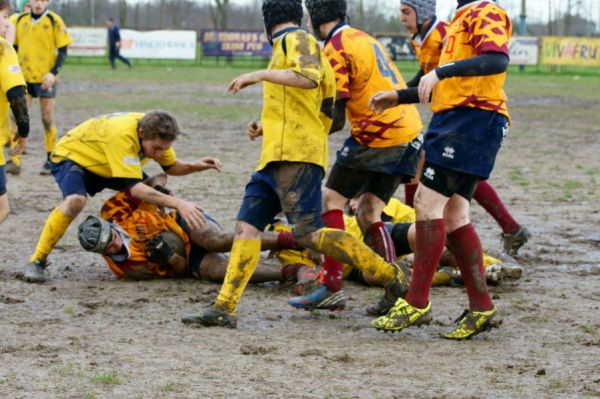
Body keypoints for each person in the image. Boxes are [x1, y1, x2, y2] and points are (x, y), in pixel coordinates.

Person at [181, 0, 409, 329]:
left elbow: (308, 77)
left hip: (296, 156)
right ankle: (224, 307)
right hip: (275, 156)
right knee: (246, 228)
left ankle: (391, 275)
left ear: (266, 21)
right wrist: (266, 125)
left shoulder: (298, 39)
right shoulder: (290, 47)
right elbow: (328, 116)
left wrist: (256, 75)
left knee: (311, 235)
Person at [370, 0, 513, 339]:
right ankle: (481, 308)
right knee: (454, 215)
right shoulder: (461, 18)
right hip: (461, 119)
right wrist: (399, 96)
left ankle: (417, 302)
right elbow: (443, 85)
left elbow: (497, 59)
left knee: (425, 203)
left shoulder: (485, 11)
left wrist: (441, 71)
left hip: (471, 120)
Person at [290, 0, 423, 315]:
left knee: (330, 200)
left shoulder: (336, 46)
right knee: (369, 212)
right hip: (410, 130)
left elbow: (336, 114)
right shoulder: (363, 37)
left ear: (316, 15)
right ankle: (395, 286)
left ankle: (332, 284)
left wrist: (301, 132)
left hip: (380, 133)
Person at [373, 0, 531, 256]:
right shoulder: (422, 38)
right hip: (451, 114)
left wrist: (438, 75)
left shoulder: (444, 32)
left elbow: (464, 68)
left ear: (422, 13)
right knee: (450, 189)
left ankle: (427, 231)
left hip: (468, 114)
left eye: (406, 12)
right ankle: (504, 229)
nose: (401, 18)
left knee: (446, 178)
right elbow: (426, 78)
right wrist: (397, 94)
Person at [21, 111, 222, 283]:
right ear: (142, 134)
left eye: (164, 149)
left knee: (158, 190)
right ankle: (37, 260)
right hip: (74, 158)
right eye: (155, 149)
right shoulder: (122, 137)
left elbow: (171, 168)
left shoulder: (156, 134)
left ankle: (167, 238)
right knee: (76, 201)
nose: (158, 154)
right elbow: (136, 190)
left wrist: (196, 165)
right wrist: (179, 204)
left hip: (107, 162)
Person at [78, 174, 307, 285]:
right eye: (109, 247)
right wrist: (170, 257)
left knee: (215, 240)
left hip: (180, 221)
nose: (115, 243)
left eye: (113, 236)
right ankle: (288, 271)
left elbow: (148, 182)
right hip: (187, 256)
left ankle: (292, 240)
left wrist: (160, 191)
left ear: (110, 226)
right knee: (218, 272)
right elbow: (181, 272)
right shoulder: (126, 268)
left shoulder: (114, 210)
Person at [13, 0, 72, 175]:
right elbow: (13, 47)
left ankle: (50, 159)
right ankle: (15, 160)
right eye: (35, 0)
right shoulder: (20, 20)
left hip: (46, 79)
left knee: (47, 119)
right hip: (23, 78)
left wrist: (53, 73)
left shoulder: (55, 21)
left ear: (48, 2)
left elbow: (63, 50)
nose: (38, 3)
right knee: (19, 117)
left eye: (43, 0)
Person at [0, 0, 29, 224]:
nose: (7, 24)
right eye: (3, 17)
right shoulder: (3, 48)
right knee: (2, 207)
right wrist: (24, 130)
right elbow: (17, 95)